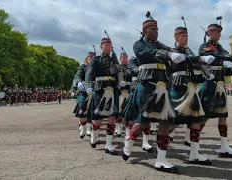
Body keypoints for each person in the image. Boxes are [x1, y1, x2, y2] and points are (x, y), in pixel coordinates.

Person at [122, 12, 188, 173]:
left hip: (161, 87)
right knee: (144, 123)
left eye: (157, 29)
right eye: (153, 29)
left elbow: (171, 55)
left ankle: (161, 160)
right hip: (146, 87)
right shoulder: (139, 45)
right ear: (145, 31)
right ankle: (130, 140)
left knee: (164, 122)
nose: (156, 31)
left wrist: (183, 54)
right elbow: (146, 54)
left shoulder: (160, 45)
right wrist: (167, 54)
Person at [198, 23, 232, 159]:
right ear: (210, 33)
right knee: (204, 116)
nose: (220, 34)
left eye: (220, 32)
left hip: (220, 84)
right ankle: (193, 147)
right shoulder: (205, 47)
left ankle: (224, 146)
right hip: (209, 84)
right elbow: (216, 55)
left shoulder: (219, 47)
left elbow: (222, 62)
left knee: (223, 116)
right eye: (217, 32)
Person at [168, 26, 215, 165]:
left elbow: (193, 73)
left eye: (186, 35)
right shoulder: (173, 52)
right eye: (182, 36)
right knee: (172, 123)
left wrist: (204, 76)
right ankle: (161, 150)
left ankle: (194, 154)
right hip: (178, 89)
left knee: (195, 121)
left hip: (191, 90)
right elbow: (179, 63)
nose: (185, 38)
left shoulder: (188, 53)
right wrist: (198, 59)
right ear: (176, 38)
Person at [86, 38, 126, 155]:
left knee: (112, 117)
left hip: (112, 89)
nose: (109, 47)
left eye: (110, 45)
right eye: (106, 45)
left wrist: (121, 80)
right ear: (101, 47)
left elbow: (118, 72)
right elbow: (89, 73)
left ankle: (109, 145)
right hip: (100, 89)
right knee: (98, 119)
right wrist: (88, 84)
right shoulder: (96, 59)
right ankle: (94, 135)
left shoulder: (113, 59)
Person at [75, 52, 95, 139]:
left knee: (93, 110)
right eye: (90, 58)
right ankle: (83, 126)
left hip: (95, 89)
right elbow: (78, 76)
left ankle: (89, 129)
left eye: (93, 58)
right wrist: (79, 82)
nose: (92, 60)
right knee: (82, 107)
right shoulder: (82, 67)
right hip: (83, 90)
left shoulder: (97, 68)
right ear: (87, 59)